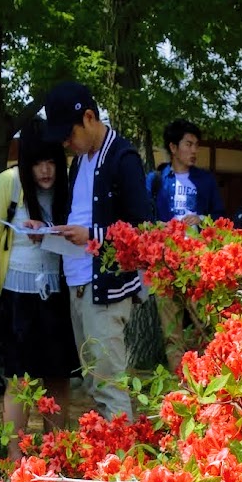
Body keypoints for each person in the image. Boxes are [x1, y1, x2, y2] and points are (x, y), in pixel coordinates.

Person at [42, 80, 151, 422]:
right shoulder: (82, 161)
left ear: (89, 117)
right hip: (80, 282)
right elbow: (81, 217)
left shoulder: (123, 158)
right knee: (94, 383)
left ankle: (124, 467)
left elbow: (144, 230)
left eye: (68, 134)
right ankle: (111, 463)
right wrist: (50, 231)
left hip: (105, 286)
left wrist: (91, 234)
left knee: (108, 385)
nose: (65, 143)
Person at [0, 123, 75, 460]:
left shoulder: (68, 186)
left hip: (58, 295)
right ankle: (15, 464)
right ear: (26, 163)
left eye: (51, 162)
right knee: (19, 382)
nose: (45, 170)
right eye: (37, 163)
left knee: (58, 381)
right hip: (17, 295)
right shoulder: (8, 183)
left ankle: (57, 461)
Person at [147, 119, 224, 368]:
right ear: (173, 146)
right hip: (164, 265)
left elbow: (222, 219)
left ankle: (206, 377)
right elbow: (145, 219)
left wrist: (201, 219)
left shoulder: (206, 181)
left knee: (205, 325)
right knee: (171, 330)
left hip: (198, 263)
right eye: (188, 144)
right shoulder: (157, 180)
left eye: (196, 145)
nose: (194, 150)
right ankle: (177, 387)